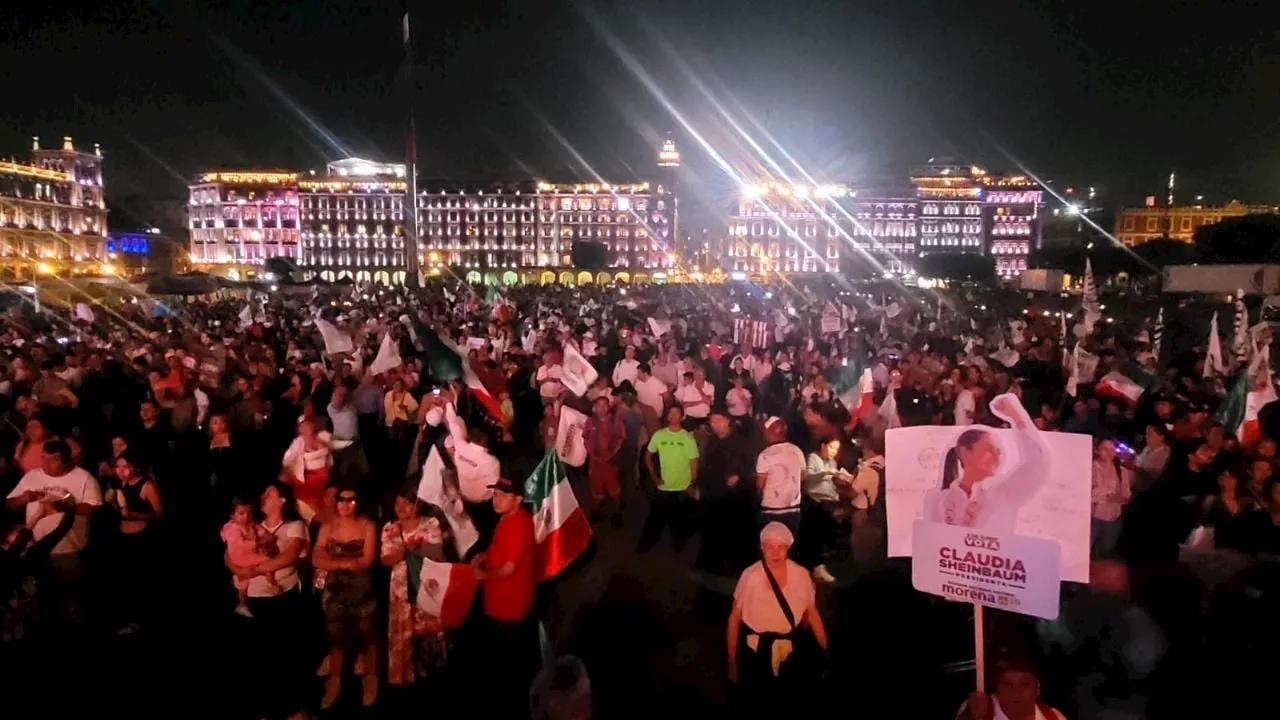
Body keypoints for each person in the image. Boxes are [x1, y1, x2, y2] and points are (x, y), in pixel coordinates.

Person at [726, 522, 828, 713]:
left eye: (781, 547)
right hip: (757, 652)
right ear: (761, 548)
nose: (775, 552)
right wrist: (732, 662)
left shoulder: (800, 575)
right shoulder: (750, 576)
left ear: (788, 548)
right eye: (770, 547)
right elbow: (734, 619)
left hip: (791, 651)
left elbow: (812, 613)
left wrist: (824, 650)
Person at [5, 439, 103, 627]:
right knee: (39, 598)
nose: (45, 465)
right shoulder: (32, 476)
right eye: (43, 459)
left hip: (67, 549)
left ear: (66, 460)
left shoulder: (83, 478)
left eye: (53, 460)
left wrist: (62, 506)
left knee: (69, 597)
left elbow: (95, 507)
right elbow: (10, 503)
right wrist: (24, 498)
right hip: (34, 549)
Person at [923, 393, 1049, 533]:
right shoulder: (938, 499)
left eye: (998, 452)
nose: (996, 457)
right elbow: (932, 542)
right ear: (965, 452)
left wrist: (1017, 418)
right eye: (989, 450)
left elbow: (1038, 463)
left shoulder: (1006, 492)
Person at [473, 475, 538, 714]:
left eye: (502, 495)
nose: (495, 499)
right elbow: (499, 549)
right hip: (503, 601)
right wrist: (484, 555)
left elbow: (509, 568)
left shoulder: (517, 526)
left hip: (508, 606)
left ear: (518, 499)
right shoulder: (510, 518)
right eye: (495, 494)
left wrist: (483, 576)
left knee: (505, 660)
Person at [312, 485, 379, 708]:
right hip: (335, 588)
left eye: (351, 500)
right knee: (335, 637)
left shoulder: (367, 525)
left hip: (362, 588)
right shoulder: (327, 526)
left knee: (367, 634)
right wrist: (345, 564)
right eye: (341, 500)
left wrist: (332, 561)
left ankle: (371, 678)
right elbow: (316, 558)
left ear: (358, 502)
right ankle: (335, 681)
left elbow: (367, 560)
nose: (345, 505)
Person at [638, 404, 699, 553]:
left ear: (682, 416)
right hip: (663, 486)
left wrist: (692, 483)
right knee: (655, 518)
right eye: (670, 413)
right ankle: (646, 544)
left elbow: (694, 462)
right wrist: (654, 476)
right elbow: (648, 456)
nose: (672, 415)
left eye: (676, 412)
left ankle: (678, 544)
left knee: (679, 520)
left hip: (682, 487)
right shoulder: (659, 435)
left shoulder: (687, 437)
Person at [221, 496, 278, 617]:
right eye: (241, 513)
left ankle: (242, 604)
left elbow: (261, 532)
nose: (246, 516)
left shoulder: (250, 524)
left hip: (246, 555)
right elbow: (238, 545)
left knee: (244, 581)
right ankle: (270, 581)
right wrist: (254, 542)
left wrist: (266, 537)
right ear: (232, 515)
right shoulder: (231, 528)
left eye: (249, 513)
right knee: (267, 560)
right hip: (239, 555)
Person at [957, 661, 1067, 720]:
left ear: (1037, 688)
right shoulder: (977, 709)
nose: (1016, 692)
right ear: (997, 689)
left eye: (1024, 684)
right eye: (1007, 684)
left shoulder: (1053, 717)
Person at [755, 416, 806, 539]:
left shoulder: (765, 455)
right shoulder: (797, 451)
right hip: (794, 510)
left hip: (771, 511)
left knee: (771, 545)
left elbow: (760, 485)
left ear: (770, 432)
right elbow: (802, 477)